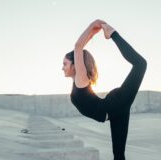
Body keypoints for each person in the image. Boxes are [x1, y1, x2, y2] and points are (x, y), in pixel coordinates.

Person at [62, 19, 147, 160]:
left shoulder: (80, 79)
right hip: (115, 112)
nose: (62, 67)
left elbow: (78, 47)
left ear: (75, 65)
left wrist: (94, 25)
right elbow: (79, 48)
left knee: (140, 64)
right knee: (119, 155)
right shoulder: (77, 82)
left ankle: (113, 34)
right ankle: (109, 31)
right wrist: (93, 32)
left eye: (65, 64)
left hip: (116, 104)